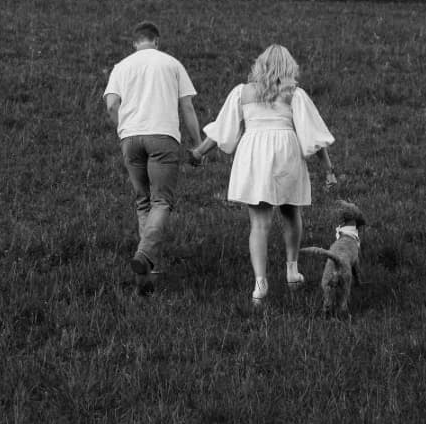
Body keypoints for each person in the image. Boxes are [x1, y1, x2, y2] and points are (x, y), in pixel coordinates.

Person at [190, 43, 337, 305]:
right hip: (286, 152)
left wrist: (200, 152)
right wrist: (328, 170)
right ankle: (292, 270)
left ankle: (260, 284)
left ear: (260, 65)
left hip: (254, 153)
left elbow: (223, 130)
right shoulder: (294, 94)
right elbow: (314, 135)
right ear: (288, 67)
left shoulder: (242, 92)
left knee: (259, 223)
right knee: (290, 211)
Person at [103, 20, 203, 294]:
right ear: (157, 41)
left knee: (143, 202)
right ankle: (145, 254)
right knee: (162, 201)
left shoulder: (121, 66)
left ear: (135, 43)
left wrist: (123, 129)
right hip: (163, 137)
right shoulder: (172, 64)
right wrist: (197, 145)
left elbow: (111, 105)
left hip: (130, 139)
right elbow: (187, 107)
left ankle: (146, 279)